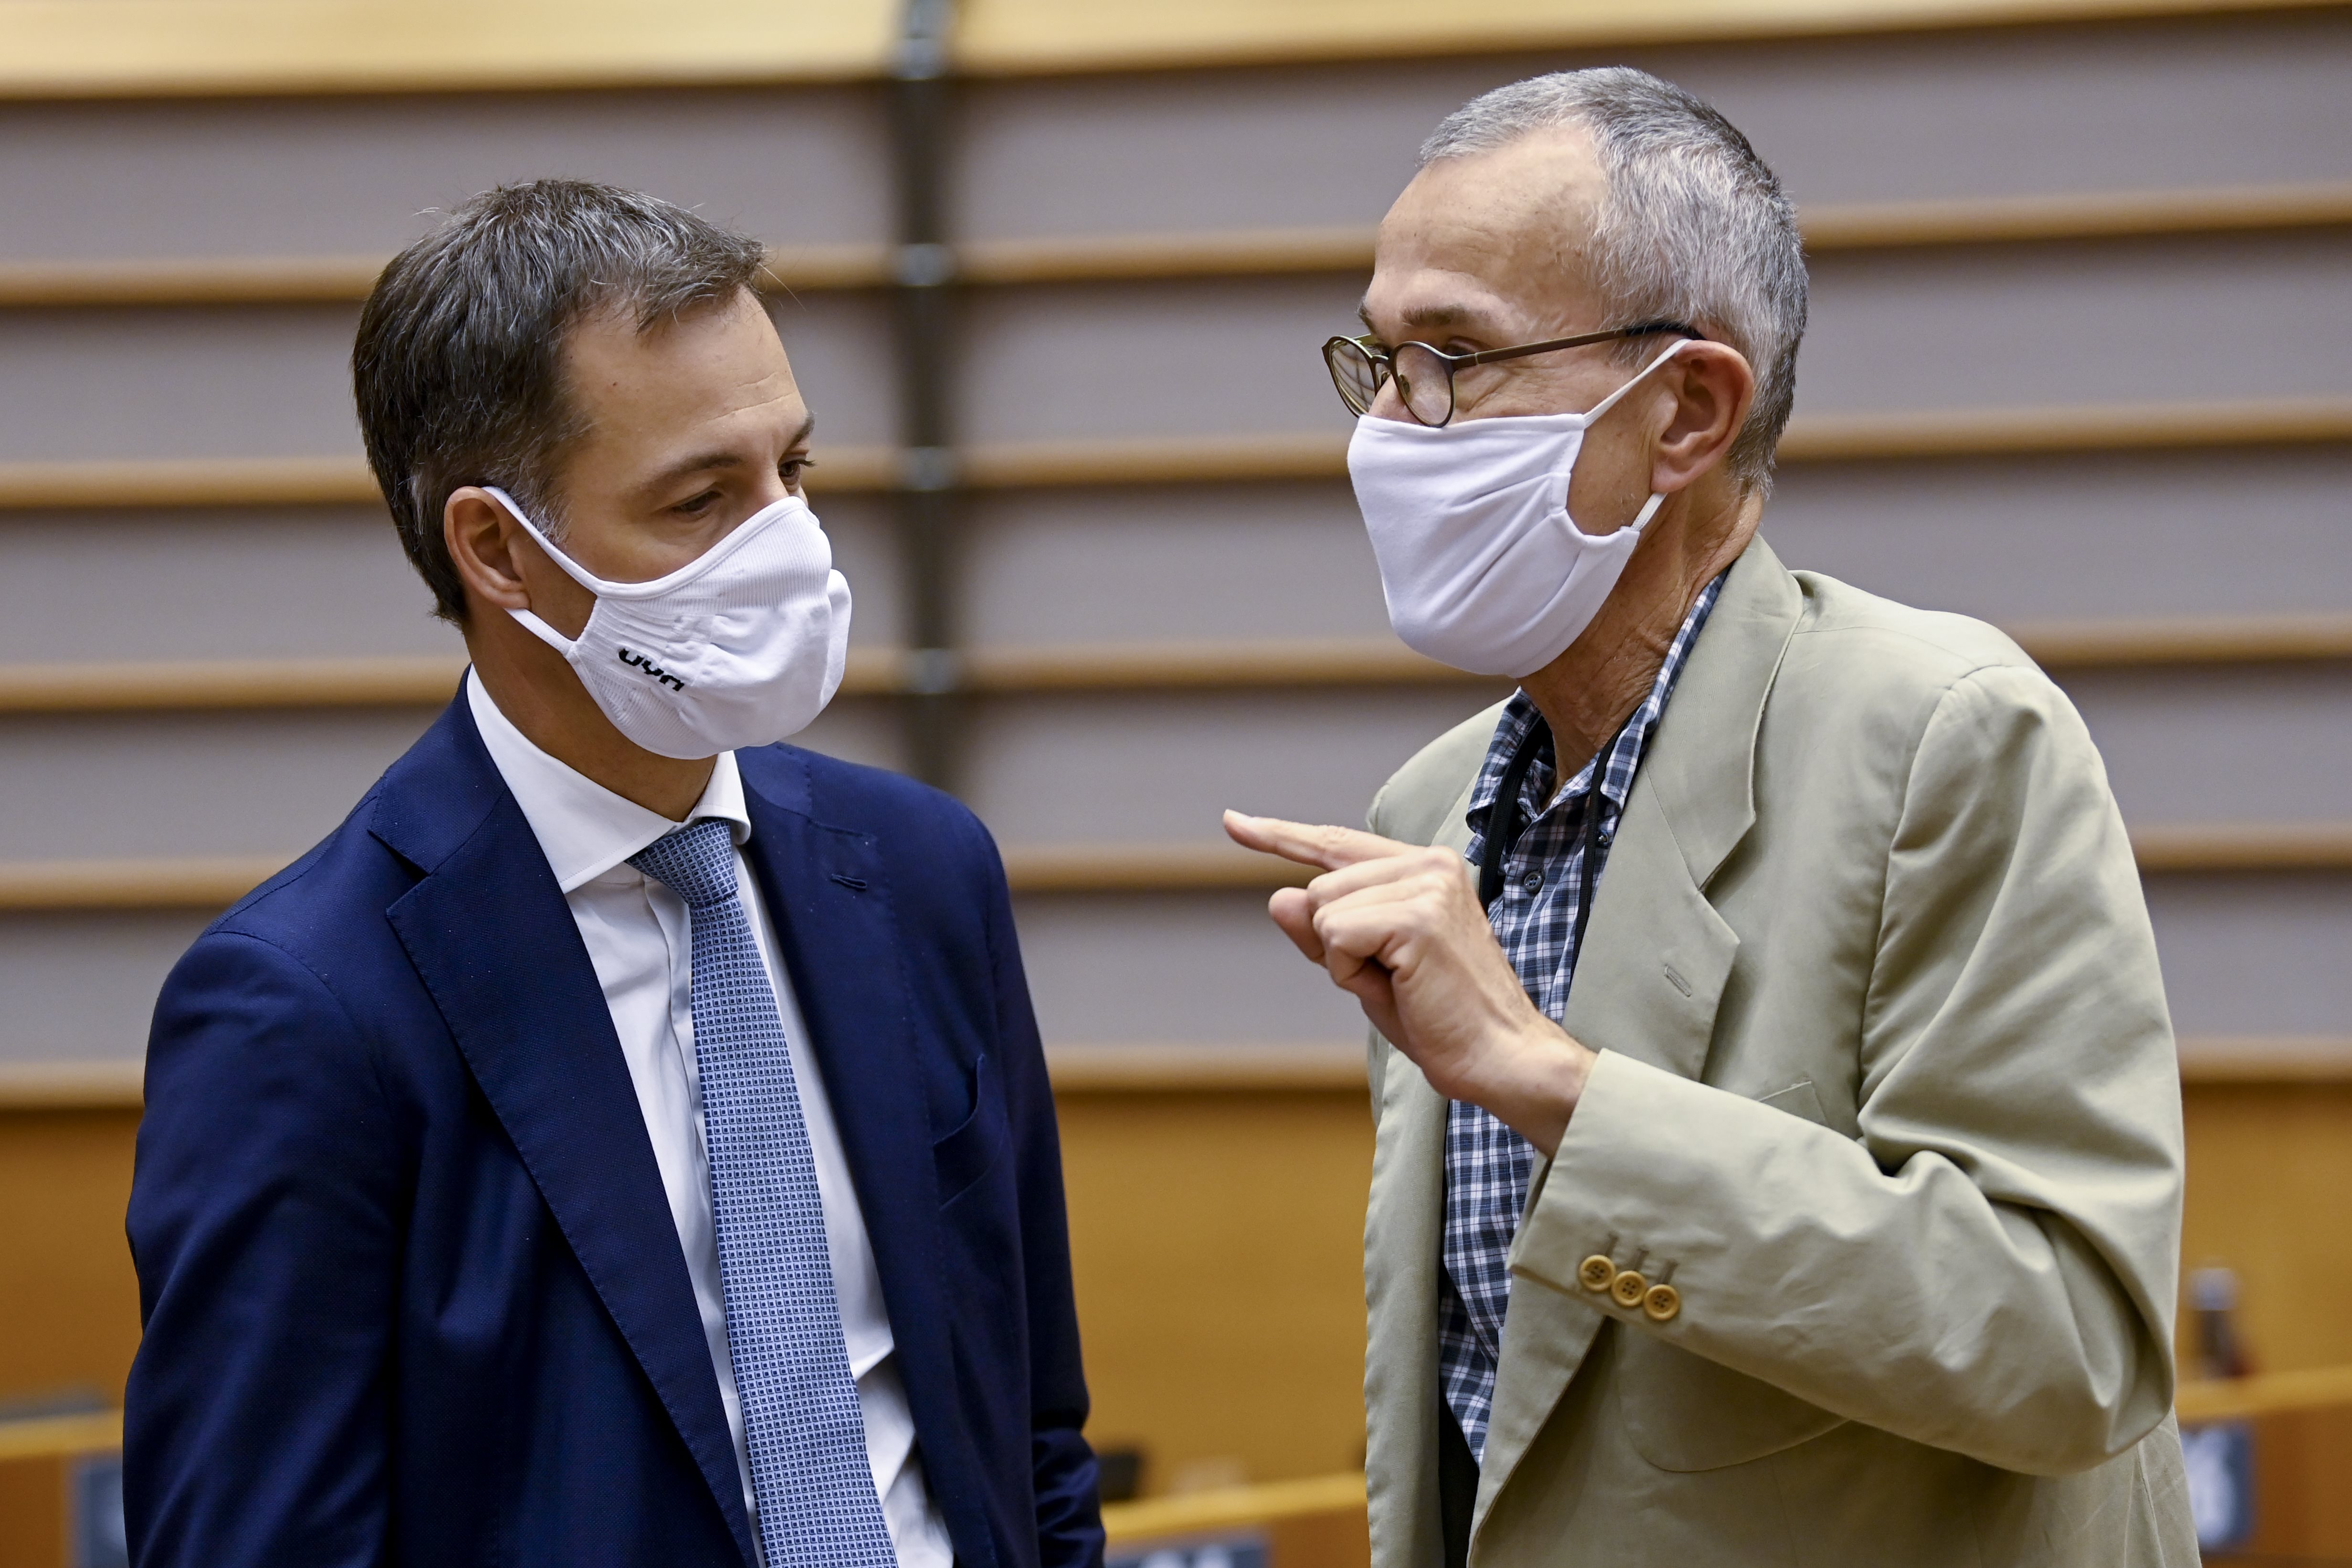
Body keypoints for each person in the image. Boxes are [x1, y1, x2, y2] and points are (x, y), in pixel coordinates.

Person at [1227, 69, 2194, 1564]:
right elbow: (1489, 1406)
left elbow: (2070, 1346)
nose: (1394, 429)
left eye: (1456, 359)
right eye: (1383, 360)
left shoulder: (1944, 736)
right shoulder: (1432, 809)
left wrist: (1556, 1089)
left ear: (1687, 411)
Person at [125, 180, 1102, 1568]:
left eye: (792, 470)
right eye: (702, 500)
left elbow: (1031, 1435)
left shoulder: (923, 872)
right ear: (500, 553)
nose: (790, 542)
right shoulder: (304, 1008)